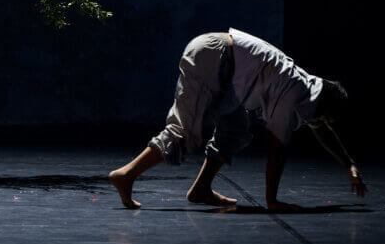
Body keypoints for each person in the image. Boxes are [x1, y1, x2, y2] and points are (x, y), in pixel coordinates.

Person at [109, 28, 366, 211]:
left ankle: (201, 190)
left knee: (235, 130)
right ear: (325, 105)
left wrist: (349, 164)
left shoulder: (309, 91)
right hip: (215, 57)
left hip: (228, 75)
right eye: (328, 116)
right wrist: (272, 202)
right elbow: (277, 150)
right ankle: (126, 174)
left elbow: (321, 128)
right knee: (186, 132)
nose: (323, 122)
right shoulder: (297, 92)